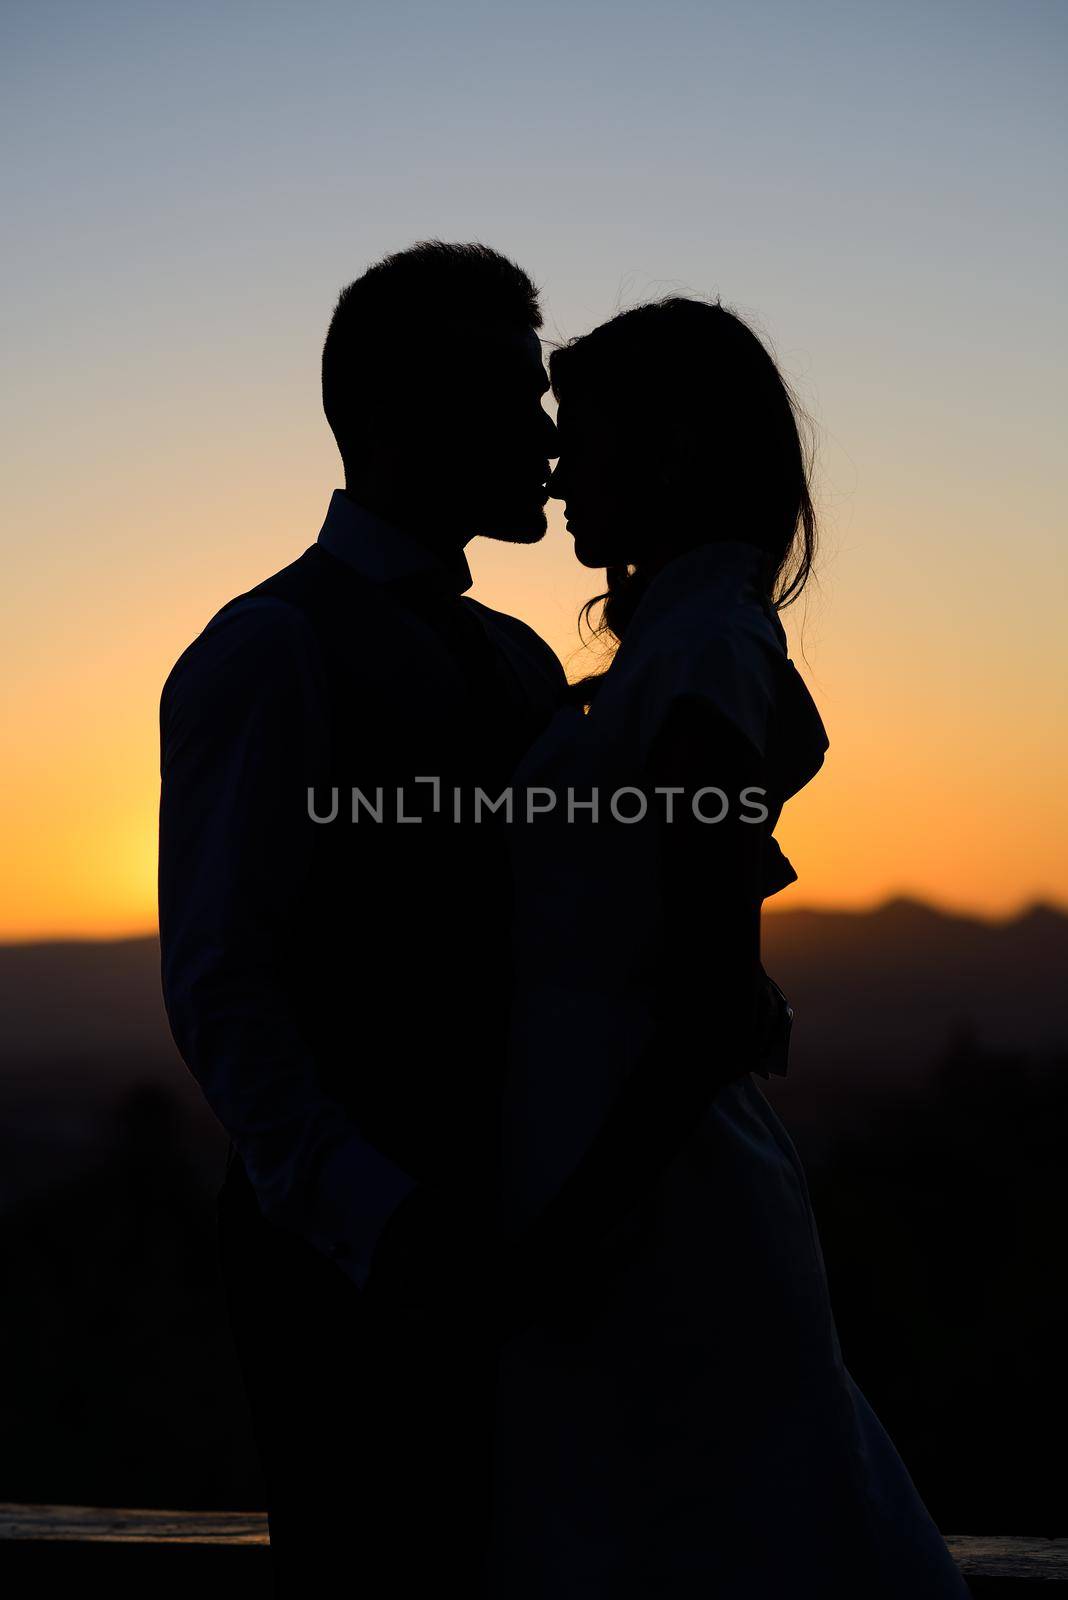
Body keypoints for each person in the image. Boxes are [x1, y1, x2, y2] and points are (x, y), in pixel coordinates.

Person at [486, 297, 971, 1598]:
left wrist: (561, 1236)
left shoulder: (702, 655)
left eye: (577, 440)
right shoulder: (683, 649)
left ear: (673, 452)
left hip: (647, 1202)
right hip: (613, 1166)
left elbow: (703, 997)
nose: (550, 469)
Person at [157, 240, 564, 1596]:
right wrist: (381, 1222)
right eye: (514, 396)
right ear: (399, 416)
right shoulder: (268, 647)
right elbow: (225, 980)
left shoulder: (521, 657)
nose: (548, 435)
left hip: (533, 1250)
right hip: (351, 1276)